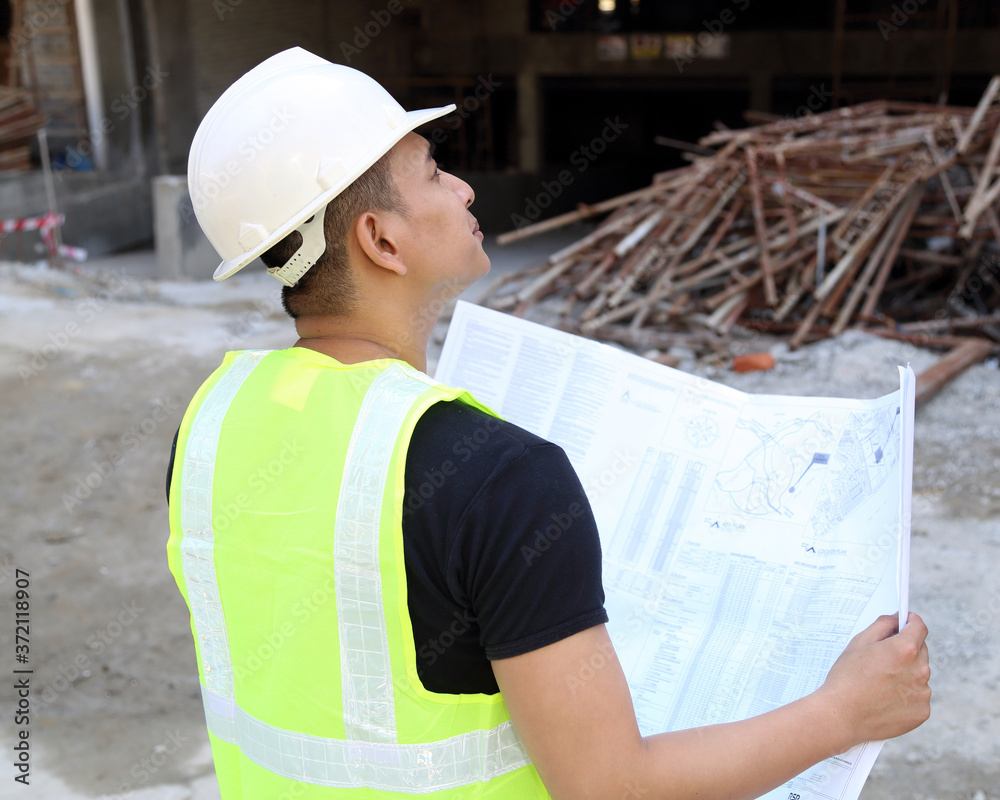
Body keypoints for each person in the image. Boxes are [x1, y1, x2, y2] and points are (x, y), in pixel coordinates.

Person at [167, 47, 931, 800]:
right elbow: (612, 787)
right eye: (433, 173)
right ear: (381, 240)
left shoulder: (209, 429)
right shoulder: (495, 475)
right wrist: (843, 712)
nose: (464, 190)